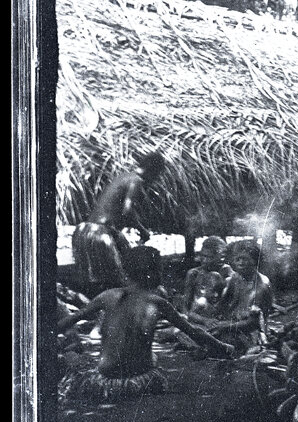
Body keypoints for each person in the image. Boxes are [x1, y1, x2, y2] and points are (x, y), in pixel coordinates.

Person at [57, 245, 235, 402]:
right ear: (154, 273)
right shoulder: (157, 302)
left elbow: (71, 319)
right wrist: (222, 346)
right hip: (139, 381)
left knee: (76, 358)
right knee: (153, 358)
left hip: (104, 382)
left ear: (126, 271)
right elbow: (193, 331)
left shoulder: (107, 295)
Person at [71, 152, 166, 296]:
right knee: (120, 283)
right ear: (153, 170)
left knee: (99, 284)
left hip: (84, 231)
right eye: (157, 175)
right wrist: (142, 230)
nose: (155, 180)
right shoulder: (136, 181)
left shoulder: (123, 177)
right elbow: (127, 211)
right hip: (100, 234)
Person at [200, 238, 274, 354]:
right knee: (200, 331)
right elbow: (222, 304)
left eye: (244, 259)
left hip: (252, 334)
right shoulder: (236, 278)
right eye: (238, 259)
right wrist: (210, 319)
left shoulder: (261, 285)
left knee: (211, 340)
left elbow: (253, 323)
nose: (240, 263)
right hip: (232, 325)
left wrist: (224, 327)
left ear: (255, 261)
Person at [180, 236, 232, 315]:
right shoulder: (194, 273)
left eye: (210, 257)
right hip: (196, 314)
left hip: (219, 315)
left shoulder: (228, 273)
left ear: (221, 258)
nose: (204, 260)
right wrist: (185, 316)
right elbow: (186, 303)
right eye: (203, 256)